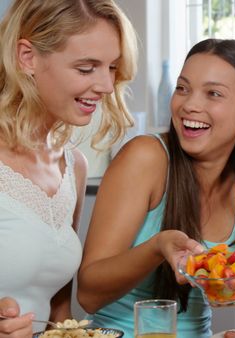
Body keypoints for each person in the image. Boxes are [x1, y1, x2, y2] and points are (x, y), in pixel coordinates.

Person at [76, 38, 235, 338]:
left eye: (213, 93)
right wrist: (156, 248)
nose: (189, 104)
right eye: (182, 88)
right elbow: (88, 293)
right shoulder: (146, 158)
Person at [0, 0, 137, 336]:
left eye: (112, 67)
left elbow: (60, 309)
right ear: (27, 57)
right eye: (86, 68)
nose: (106, 85)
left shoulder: (72, 165)